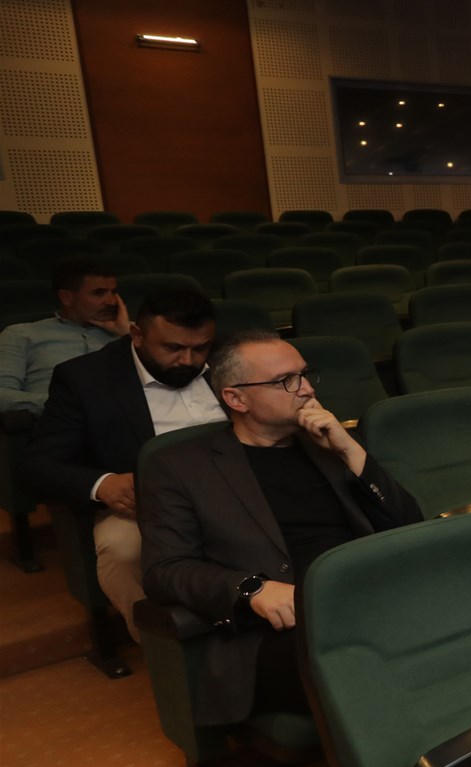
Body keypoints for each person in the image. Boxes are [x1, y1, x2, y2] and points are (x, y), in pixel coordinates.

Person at [139, 331, 420, 728]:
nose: (306, 389)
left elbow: (409, 527)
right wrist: (250, 588)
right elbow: (164, 570)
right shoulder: (178, 467)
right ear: (237, 399)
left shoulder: (327, 444)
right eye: (285, 381)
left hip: (369, 601)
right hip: (283, 630)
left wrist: (350, 450)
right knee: (384, 664)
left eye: (304, 374)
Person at [28, 285, 224, 629]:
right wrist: (102, 484)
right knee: (122, 551)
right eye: (173, 348)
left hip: (237, 484)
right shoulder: (85, 378)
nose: (188, 361)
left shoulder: (228, 357)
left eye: (200, 348)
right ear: (137, 335)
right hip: (146, 502)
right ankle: (164, 646)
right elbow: (37, 465)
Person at [0, 258, 129, 414]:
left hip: (128, 422)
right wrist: (65, 404)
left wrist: (127, 334)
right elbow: (3, 394)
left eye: (113, 292)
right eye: (99, 293)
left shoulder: (131, 334)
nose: (112, 302)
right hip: (53, 421)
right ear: (66, 298)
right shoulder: (21, 334)